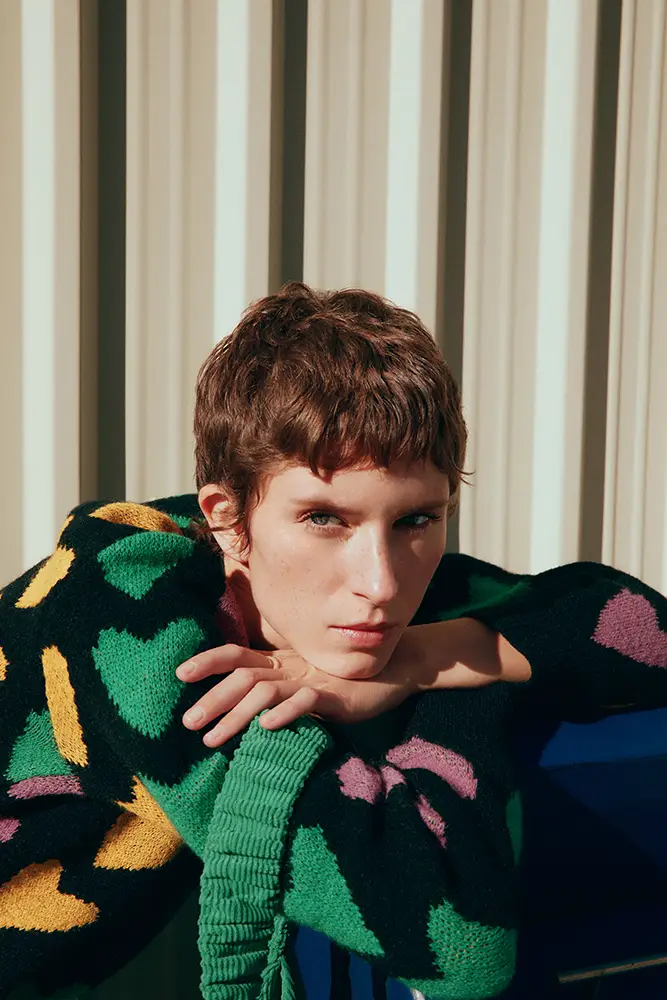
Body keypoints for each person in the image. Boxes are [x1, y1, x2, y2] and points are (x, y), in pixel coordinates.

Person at [0, 282, 665, 1000]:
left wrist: (419, 665)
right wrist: (476, 687)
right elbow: (452, 936)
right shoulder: (124, 620)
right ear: (226, 518)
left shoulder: (351, 597)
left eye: (416, 520)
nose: (380, 583)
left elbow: (636, 625)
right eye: (324, 519)